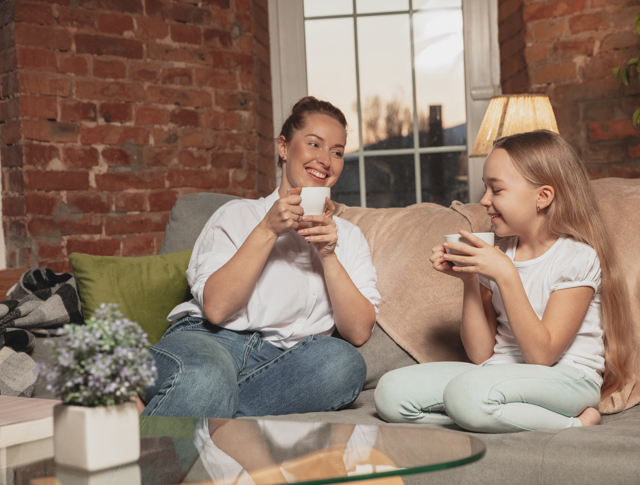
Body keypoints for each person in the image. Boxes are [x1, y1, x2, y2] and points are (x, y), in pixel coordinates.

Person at [374, 130, 634, 433]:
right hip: (498, 373)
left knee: (468, 394)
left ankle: (574, 423)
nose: (484, 200)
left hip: (568, 379)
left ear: (543, 197)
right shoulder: (500, 254)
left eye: (496, 190)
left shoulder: (575, 257)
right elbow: (480, 354)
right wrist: (470, 280)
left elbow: (542, 356)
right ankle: (485, 413)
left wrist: (506, 274)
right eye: (486, 189)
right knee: (391, 392)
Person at [140, 97, 380, 418]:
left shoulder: (347, 238)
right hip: (210, 342)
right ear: (284, 147)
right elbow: (216, 308)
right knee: (208, 376)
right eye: (314, 144)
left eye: (337, 152)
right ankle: (210, 402)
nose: (325, 160)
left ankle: (204, 405)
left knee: (344, 363)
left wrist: (328, 255)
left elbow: (359, 331)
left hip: (283, 366)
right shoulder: (238, 215)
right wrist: (267, 229)